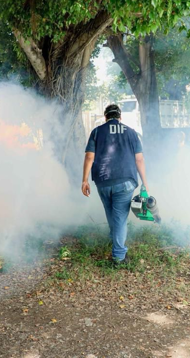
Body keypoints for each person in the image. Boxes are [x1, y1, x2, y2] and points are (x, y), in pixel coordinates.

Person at [82, 104, 150, 265]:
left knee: (111, 212)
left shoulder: (97, 131)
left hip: (103, 181)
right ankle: (119, 255)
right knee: (119, 216)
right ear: (120, 117)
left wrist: (84, 180)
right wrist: (145, 183)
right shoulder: (132, 132)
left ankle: (114, 239)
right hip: (126, 180)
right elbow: (139, 159)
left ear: (106, 117)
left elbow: (89, 157)